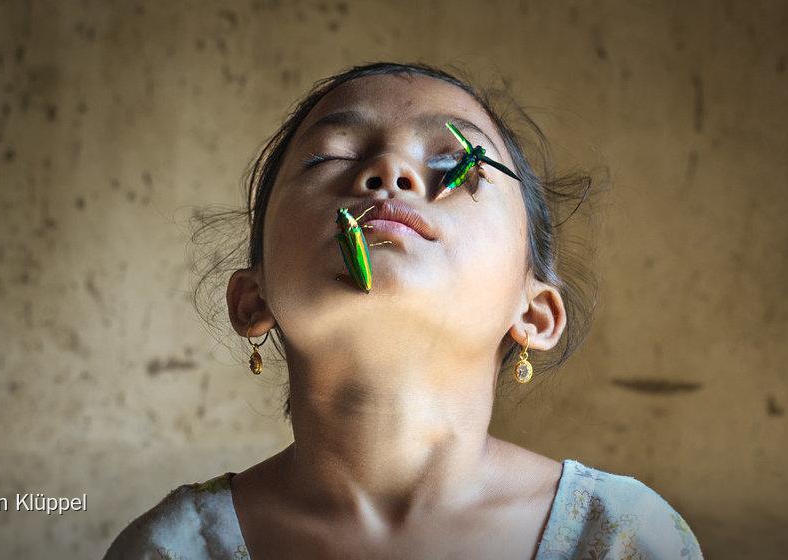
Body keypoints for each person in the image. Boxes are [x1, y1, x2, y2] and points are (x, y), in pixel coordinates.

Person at [104, 62, 703, 559]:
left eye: (458, 167)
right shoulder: (174, 548)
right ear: (253, 300)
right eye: (328, 158)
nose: (389, 172)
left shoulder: (625, 538)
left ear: (536, 313)